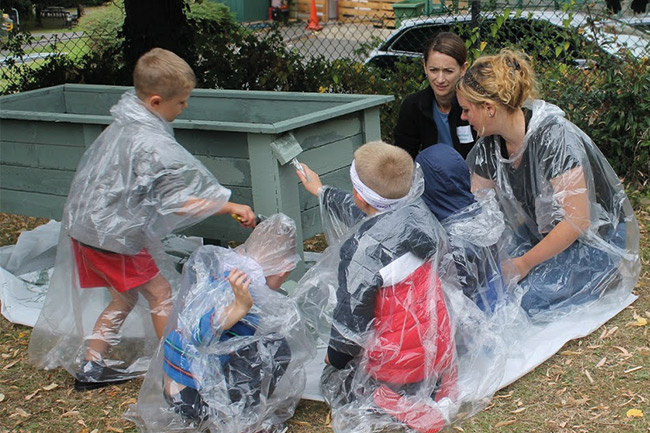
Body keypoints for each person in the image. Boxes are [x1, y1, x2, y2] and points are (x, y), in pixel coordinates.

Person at [28, 48, 257, 391]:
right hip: (114, 235)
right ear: (154, 102)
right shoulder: (149, 141)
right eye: (181, 102)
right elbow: (178, 203)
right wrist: (230, 206)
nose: (185, 107)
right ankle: (180, 368)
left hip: (87, 228)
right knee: (161, 293)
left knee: (124, 298)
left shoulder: (126, 123)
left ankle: (92, 364)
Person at [456, 49, 640, 318]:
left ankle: (604, 274)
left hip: (597, 237)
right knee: (487, 288)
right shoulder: (488, 148)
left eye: (466, 110)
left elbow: (578, 220)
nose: (462, 118)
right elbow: (478, 211)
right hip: (541, 232)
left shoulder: (554, 137)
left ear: (489, 109)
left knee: (525, 301)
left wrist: (522, 264)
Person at [293, 142, 464, 433]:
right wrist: (322, 192)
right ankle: (435, 387)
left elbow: (352, 321)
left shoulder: (362, 251)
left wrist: (335, 356)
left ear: (359, 194)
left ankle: (390, 399)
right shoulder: (420, 215)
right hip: (435, 351)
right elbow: (377, 213)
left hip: (397, 365)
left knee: (334, 379)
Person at [129, 213, 311, 433]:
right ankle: (240, 422)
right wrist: (237, 310)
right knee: (275, 348)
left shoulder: (227, 271)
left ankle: (233, 410)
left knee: (260, 345)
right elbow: (197, 333)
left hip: (176, 386)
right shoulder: (240, 294)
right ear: (284, 271)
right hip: (190, 399)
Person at [393, 32, 477, 160]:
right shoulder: (413, 106)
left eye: (448, 71)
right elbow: (403, 157)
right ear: (425, 67)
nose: (440, 79)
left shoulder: (475, 105)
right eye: (434, 70)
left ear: (463, 69)